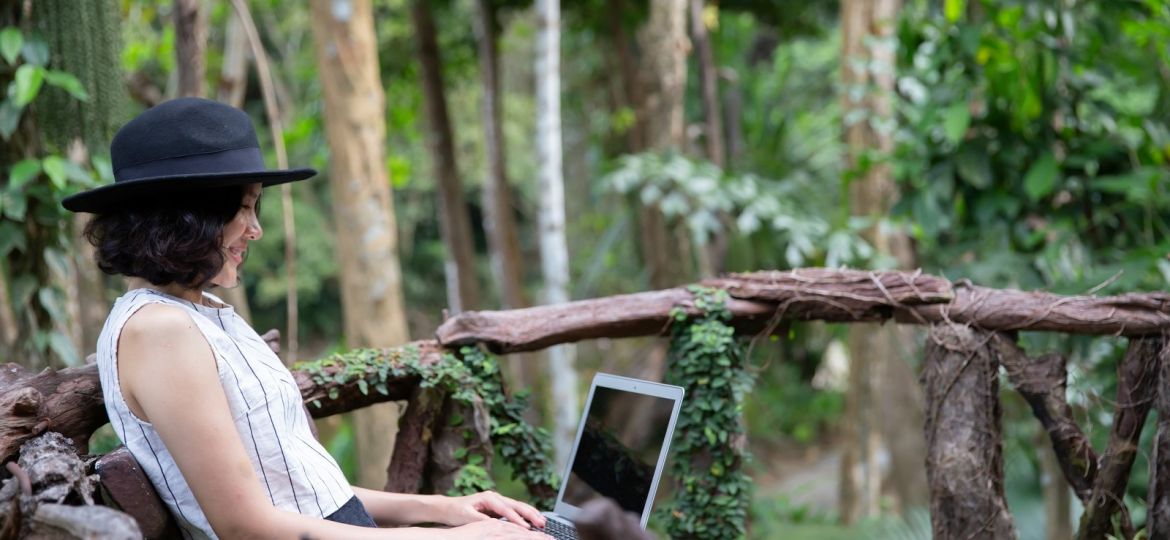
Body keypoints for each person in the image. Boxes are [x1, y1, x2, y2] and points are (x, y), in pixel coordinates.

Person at [63, 98, 551, 540]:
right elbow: (246, 526)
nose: (255, 230)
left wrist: (447, 510)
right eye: (246, 207)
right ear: (189, 218)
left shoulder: (200, 312)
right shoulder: (159, 331)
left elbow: (308, 494)